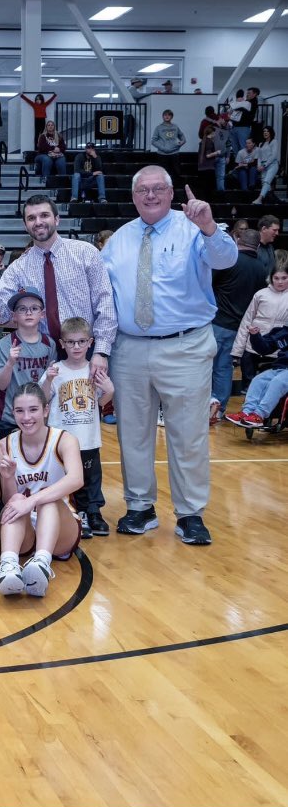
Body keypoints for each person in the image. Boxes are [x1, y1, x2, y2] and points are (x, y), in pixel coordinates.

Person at [100, 167, 237, 545]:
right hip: (128, 348)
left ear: (171, 192)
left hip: (185, 345)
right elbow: (103, 297)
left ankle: (191, 513)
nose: (150, 195)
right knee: (132, 432)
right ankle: (140, 507)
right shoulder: (119, 240)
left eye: (158, 188)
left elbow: (226, 260)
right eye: (142, 190)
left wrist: (209, 226)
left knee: (188, 434)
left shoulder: (194, 226)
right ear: (133, 196)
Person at [0, 194, 117, 374]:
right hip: (40, 355)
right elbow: (1, 316)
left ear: (57, 219)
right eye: (31, 218)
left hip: (85, 351)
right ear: (25, 225)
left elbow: (105, 303)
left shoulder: (85, 253)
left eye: (44, 215)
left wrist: (101, 351)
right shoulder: (18, 268)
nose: (38, 222)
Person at [0, 384, 83, 597]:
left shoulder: (64, 439)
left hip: (60, 527)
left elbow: (76, 479)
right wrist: (7, 477)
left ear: (45, 410)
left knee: (47, 499)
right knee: (14, 498)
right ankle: (9, 566)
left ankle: (42, 563)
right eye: (20, 411)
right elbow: (8, 498)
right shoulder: (3, 446)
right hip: (24, 529)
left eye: (33, 409)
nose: (26, 417)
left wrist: (32, 500)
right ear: (12, 413)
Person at [40, 317, 114, 538]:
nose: (76, 347)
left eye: (81, 342)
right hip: (62, 439)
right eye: (71, 342)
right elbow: (43, 400)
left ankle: (93, 512)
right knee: (67, 478)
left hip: (88, 438)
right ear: (62, 344)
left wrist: (110, 391)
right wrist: (47, 381)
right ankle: (76, 512)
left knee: (91, 477)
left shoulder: (95, 370)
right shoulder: (56, 370)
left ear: (90, 342)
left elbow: (101, 403)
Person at [210, 228, 267, 423]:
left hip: (217, 322)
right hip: (240, 327)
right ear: (258, 246)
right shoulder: (262, 268)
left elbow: (208, 285)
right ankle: (219, 410)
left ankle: (204, 407)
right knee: (224, 368)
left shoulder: (229, 260)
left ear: (237, 240)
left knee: (204, 366)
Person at [0, 289, 56, 448]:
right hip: (6, 418)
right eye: (22, 309)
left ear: (42, 314)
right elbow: (0, 385)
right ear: (14, 316)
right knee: (4, 466)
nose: (28, 313)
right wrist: (10, 363)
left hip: (35, 419)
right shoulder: (5, 344)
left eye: (34, 308)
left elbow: (49, 386)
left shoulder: (49, 344)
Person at [225, 323, 288, 428]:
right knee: (258, 380)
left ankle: (259, 414)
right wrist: (255, 335)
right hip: (281, 367)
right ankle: (246, 412)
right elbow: (264, 348)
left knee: (278, 382)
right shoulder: (283, 332)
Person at [150, 109, 187, 182]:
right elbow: (153, 141)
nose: (167, 116)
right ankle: (163, 189)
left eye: (169, 115)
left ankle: (174, 188)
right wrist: (163, 148)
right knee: (162, 173)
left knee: (176, 172)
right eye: (165, 115)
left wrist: (181, 143)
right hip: (162, 154)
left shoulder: (175, 127)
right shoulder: (159, 128)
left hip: (174, 153)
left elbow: (182, 136)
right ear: (162, 116)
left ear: (171, 117)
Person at [253, 127, 280, 206]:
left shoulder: (274, 141)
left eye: (267, 131)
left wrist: (264, 165)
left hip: (272, 165)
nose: (265, 132)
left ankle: (259, 199)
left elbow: (273, 156)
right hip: (263, 166)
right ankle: (271, 201)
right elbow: (259, 156)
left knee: (267, 181)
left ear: (270, 132)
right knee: (264, 185)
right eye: (264, 131)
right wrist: (259, 165)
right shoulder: (261, 144)